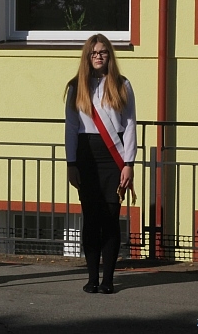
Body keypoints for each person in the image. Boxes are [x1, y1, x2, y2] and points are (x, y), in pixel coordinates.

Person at [64, 34, 136, 295]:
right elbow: (71, 128)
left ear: (109, 55)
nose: (98, 56)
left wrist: (129, 163)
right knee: (91, 219)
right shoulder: (76, 86)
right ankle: (92, 277)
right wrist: (71, 163)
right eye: (93, 52)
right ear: (87, 56)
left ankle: (108, 279)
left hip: (113, 159)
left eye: (103, 52)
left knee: (111, 219)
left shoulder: (122, 84)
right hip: (86, 159)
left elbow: (129, 125)